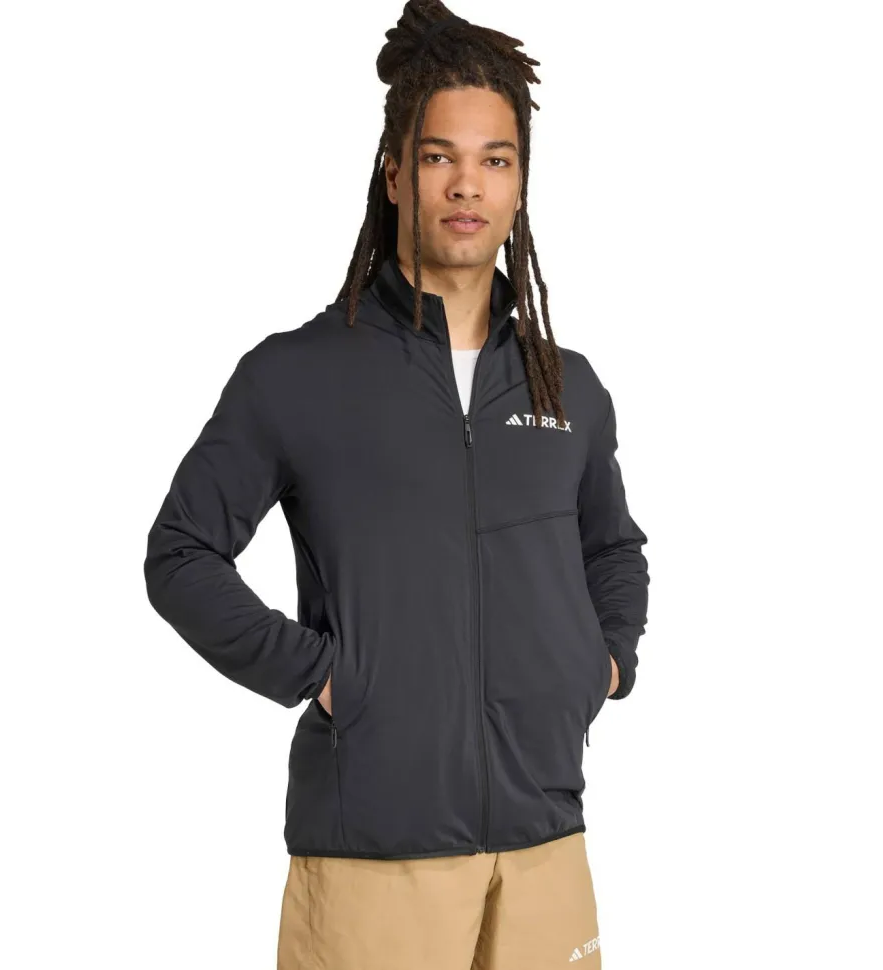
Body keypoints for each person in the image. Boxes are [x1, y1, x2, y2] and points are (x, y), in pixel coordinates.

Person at [143, 2, 649, 966]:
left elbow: (611, 548)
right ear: (393, 172)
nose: (467, 184)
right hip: (373, 856)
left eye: (496, 159)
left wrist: (603, 663)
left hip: (547, 845)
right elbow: (181, 553)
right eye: (438, 156)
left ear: (520, 182)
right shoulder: (296, 374)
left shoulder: (565, 386)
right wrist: (324, 676)